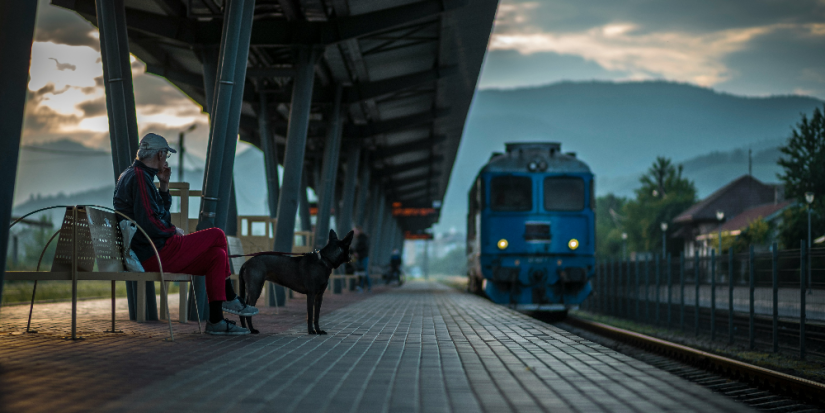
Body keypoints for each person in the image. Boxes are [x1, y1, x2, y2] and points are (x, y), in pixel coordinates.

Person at [113, 133, 258, 335]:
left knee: (217, 256)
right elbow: (151, 223)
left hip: (151, 250)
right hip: (153, 253)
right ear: (160, 154)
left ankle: (216, 321)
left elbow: (159, 215)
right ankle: (231, 298)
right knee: (217, 234)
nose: (166, 159)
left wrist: (164, 186)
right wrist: (174, 231)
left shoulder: (134, 175)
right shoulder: (139, 177)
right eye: (166, 155)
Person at [352, 225, 370, 292]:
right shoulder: (361, 238)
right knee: (362, 272)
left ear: (358, 230)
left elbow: (362, 247)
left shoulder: (362, 238)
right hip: (362, 256)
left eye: (355, 231)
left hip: (363, 257)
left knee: (363, 272)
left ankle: (366, 287)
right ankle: (365, 287)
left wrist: (356, 251)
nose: (354, 233)